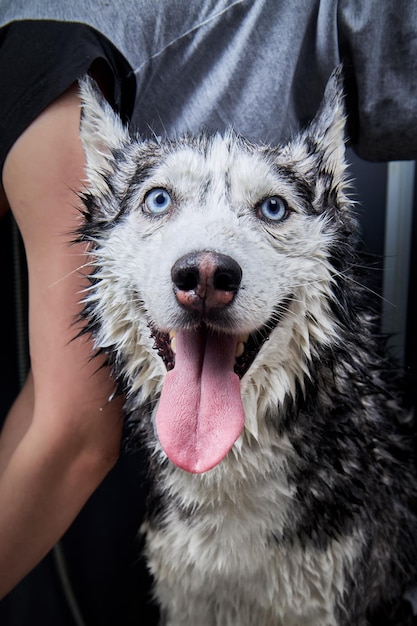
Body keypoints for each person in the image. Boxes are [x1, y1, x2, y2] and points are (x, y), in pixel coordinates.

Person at [0, 1, 416, 624]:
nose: (206, 271)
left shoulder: (32, 76)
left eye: (272, 208)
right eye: (157, 201)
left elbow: (72, 435)